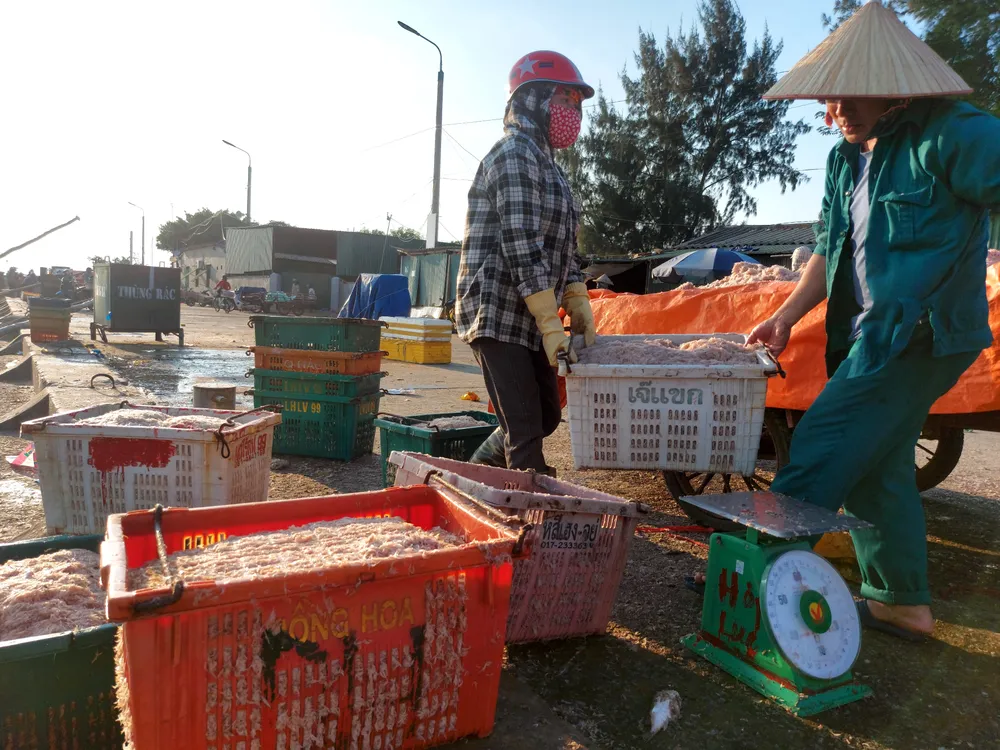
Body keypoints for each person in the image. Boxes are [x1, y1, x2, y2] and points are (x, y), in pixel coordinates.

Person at [736, 1, 1000, 640]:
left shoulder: (954, 133)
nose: (839, 109)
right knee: (879, 472)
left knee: (823, 444)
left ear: (897, 84)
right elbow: (829, 250)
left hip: (920, 334)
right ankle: (899, 604)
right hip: (863, 335)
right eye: (830, 98)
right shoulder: (841, 158)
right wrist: (785, 315)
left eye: (854, 94)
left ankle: (751, 580)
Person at [457, 50, 597, 473]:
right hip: (497, 311)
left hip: (529, 315)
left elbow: (563, 249)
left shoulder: (553, 170)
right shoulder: (513, 154)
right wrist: (550, 324)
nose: (573, 112)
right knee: (525, 431)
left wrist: (576, 298)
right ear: (533, 98)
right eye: (565, 100)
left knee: (547, 415)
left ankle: (473, 472)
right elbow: (521, 244)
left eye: (577, 105)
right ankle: (531, 519)